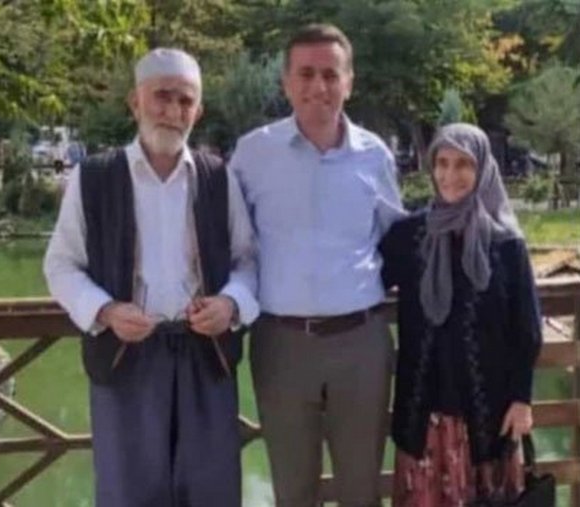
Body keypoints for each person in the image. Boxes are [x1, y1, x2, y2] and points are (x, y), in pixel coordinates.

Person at [44, 48, 258, 507]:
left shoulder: (218, 178)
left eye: (186, 101)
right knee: (129, 493)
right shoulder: (94, 177)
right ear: (135, 102)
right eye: (162, 96)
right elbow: (60, 264)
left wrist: (231, 304)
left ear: (198, 111)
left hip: (206, 356)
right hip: (126, 357)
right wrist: (105, 311)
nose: (173, 111)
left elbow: (248, 260)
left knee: (211, 491)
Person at [229, 23, 405, 507]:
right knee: (293, 490)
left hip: (361, 343)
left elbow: (398, 241)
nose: (318, 86)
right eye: (306, 74)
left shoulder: (374, 155)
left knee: (361, 489)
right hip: (281, 343)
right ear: (286, 83)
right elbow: (231, 244)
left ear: (349, 82)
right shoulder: (252, 153)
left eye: (330, 74)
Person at [380, 123, 543, 506]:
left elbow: (527, 329)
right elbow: (362, 277)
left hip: (488, 415)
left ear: (483, 168)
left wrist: (522, 399)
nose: (450, 175)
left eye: (463, 164)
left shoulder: (505, 243)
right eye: (442, 163)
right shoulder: (409, 236)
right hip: (424, 414)